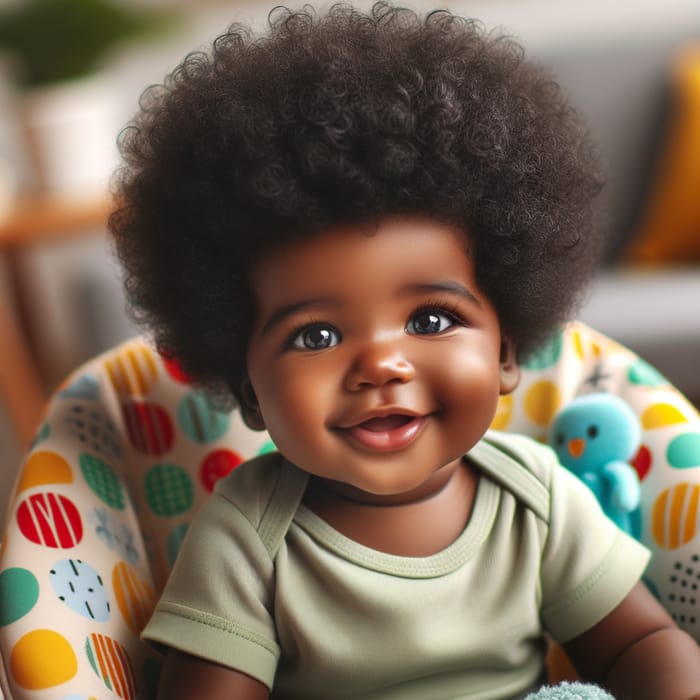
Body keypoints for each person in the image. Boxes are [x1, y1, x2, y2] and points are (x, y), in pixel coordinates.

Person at [109, 3, 700, 698]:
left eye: (430, 318)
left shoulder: (534, 497)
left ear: (507, 351)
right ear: (248, 391)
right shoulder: (248, 536)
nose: (381, 366)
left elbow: (641, 641)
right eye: (317, 336)